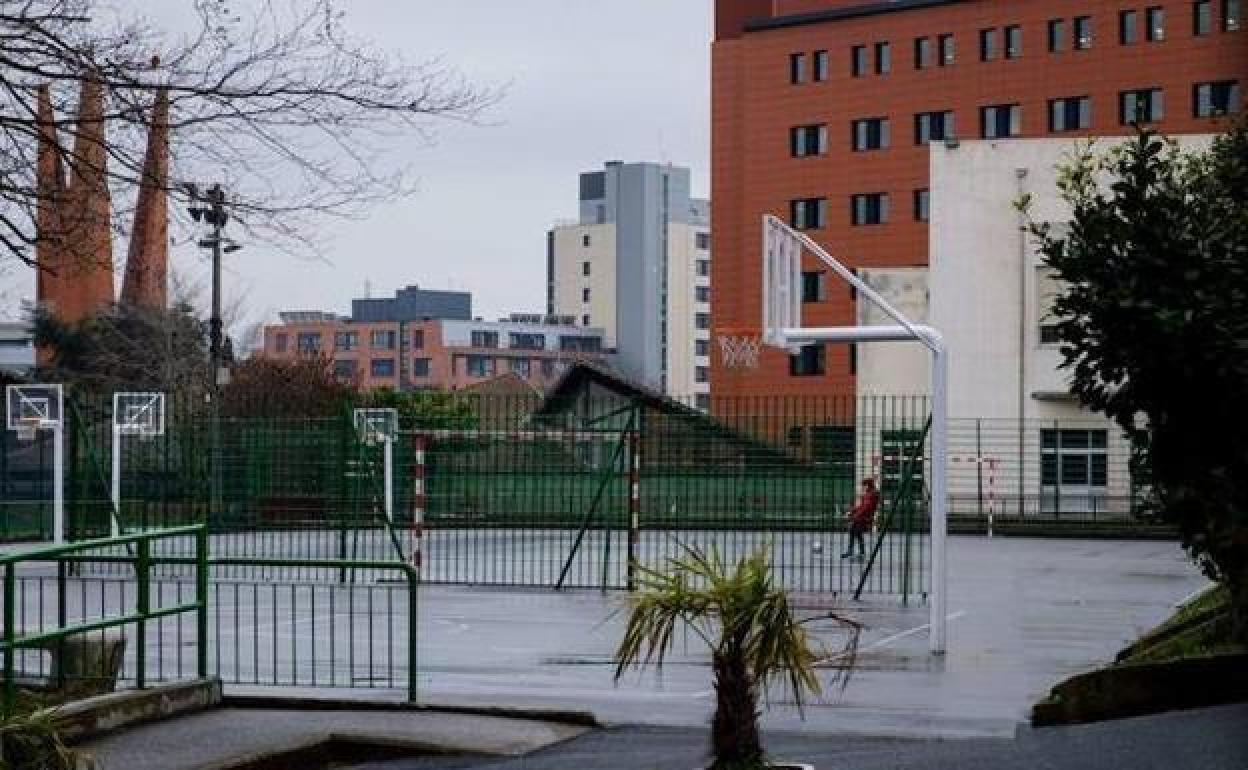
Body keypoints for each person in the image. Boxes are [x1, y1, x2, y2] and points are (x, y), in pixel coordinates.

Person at [842, 478, 880, 561]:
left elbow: (865, 508)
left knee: (854, 531)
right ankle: (857, 552)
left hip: (864, 517)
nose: (863, 487)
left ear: (867, 485)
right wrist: (852, 511)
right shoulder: (869, 494)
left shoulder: (871, 495)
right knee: (856, 532)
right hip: (862, 517)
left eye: (864, 485)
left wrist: (853, 515)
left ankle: (855, 552)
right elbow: (862, 506)